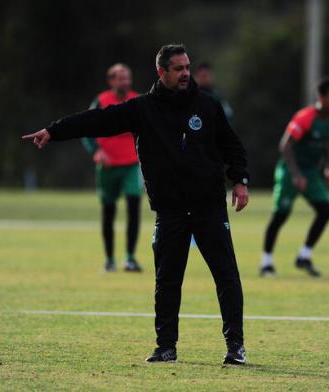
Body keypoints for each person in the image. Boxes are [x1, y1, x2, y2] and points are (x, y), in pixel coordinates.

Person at [22, 44, 250, 365]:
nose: (186, 73)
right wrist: (54, 131)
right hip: (170, 211)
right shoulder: (142, 109)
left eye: (187, 67)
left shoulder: (208, 106)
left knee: (226, 276)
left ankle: (235, 347)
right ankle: (166, 347)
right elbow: (96, 121)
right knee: (167, 281)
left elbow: (233, 146)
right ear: (162, 72)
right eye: (178, 68)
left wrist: (240, 180)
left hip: (209, 207)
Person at [259, 78, 329, 277]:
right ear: (320, 98)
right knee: (280, 216)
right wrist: (296, 175)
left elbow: (328, 143)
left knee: (325, 210)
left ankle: (304, 256)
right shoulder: (305, 117)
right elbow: (285, 145)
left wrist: (328, 167)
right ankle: (266, 263)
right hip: (290, 171)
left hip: (311, 172)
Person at [81, 63, 143, 273]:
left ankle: (130, 258)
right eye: (120, 78)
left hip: (132, 165)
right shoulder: (101, 101)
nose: (124, 82)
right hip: (107, 167)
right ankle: (109, 259)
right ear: (111, 81)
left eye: (127, 78)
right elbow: (85, 127)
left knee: (134, 208)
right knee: (109, 211)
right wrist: (96, 151)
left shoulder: (137, 101)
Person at [193, 62, 234, 126]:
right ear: (195, 77)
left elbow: (228, 117)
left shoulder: (218, 98)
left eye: (207, 76)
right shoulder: (191, 97)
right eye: (202, 76)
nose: (205, 79)